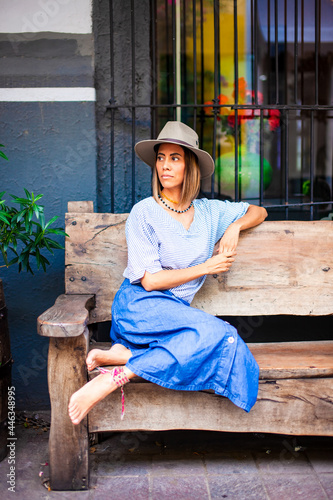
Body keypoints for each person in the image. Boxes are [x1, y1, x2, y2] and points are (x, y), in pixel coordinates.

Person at [68, 121, 267, 425]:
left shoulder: (210, 213)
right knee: (222, 334)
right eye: (161, 158)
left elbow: (259, 211)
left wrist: (234, 228)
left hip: (173, 320)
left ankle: (126, 359)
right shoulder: (144, 212)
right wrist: (206, 267)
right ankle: (113, 378)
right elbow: (150, 281)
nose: (165, 166)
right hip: (139, 308)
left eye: (175, 158)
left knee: (211, 337)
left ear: (191, 167)